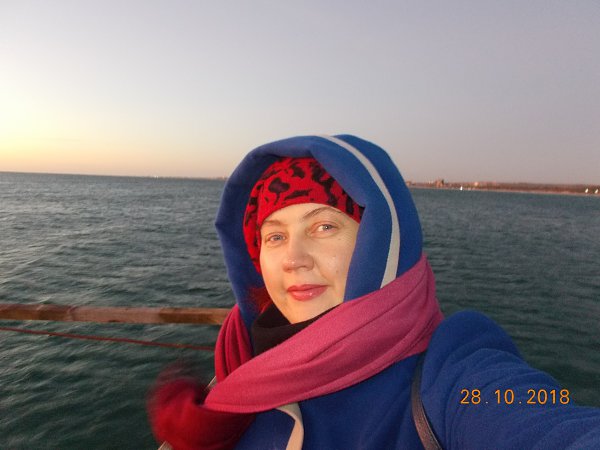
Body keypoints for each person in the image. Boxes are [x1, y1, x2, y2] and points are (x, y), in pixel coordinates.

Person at [148, 135, 600, 449]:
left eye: (324, 227)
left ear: (377, 241)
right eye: (275, 237)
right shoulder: (241, 355)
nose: (293, 259)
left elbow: (539, 420)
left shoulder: (452, 373)